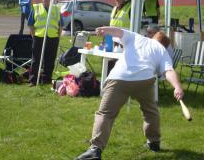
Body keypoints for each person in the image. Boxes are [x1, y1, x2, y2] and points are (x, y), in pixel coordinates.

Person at [75, 27, 184, 160]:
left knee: (105, 114)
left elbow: (119, 31)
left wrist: (105, 30)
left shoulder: (138, 37)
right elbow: (169, 71)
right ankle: (154, 142)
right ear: (165, 45)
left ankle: (95, 149)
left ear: (153, 37)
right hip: (144, 80)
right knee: (150, 111)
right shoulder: (162, 51)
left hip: (120, 78)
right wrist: (177, 87)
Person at [27, 0, 62, 86]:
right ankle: (33, 80)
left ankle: (46, 79)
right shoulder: (36, 8)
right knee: (36, 60)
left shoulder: (56, 9)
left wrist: (58, 37)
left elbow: (60, 24)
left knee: (50, 59)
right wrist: (34, 35)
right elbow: (30, 24)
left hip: (53, 37)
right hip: (39, 37)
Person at [108, 0, 131, 73]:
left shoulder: (130, 7)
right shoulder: (115, 8)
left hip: (124, 41)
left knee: (118, 62)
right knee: (109, 61)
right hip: (114, 41)